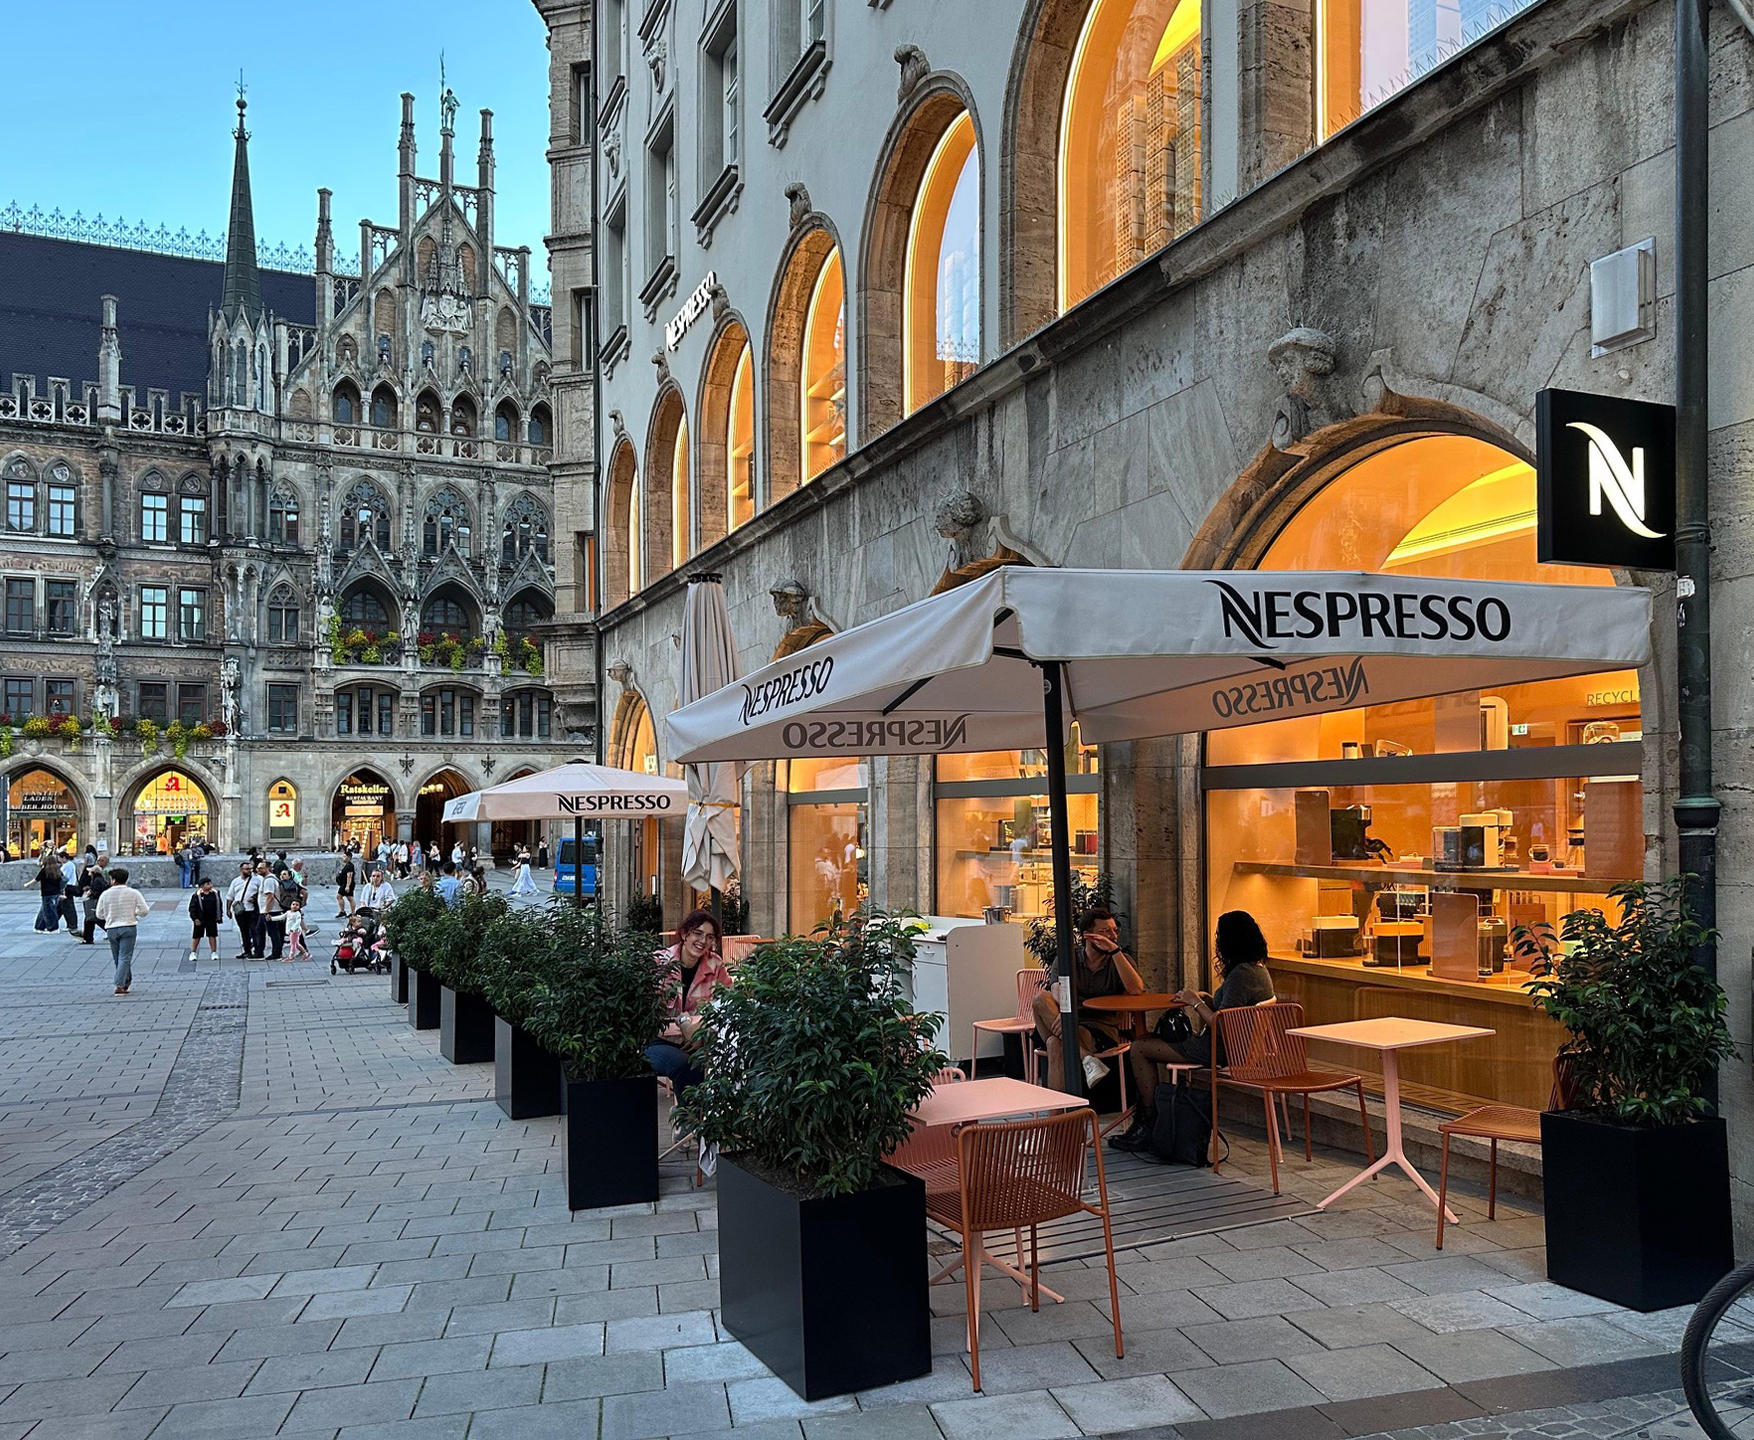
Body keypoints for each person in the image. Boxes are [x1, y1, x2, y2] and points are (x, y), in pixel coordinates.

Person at [1109, 910, 1278, 1153]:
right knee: (1146, 1041)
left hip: (1218, 1050)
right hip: (1237, 1049)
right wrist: (1207, 998)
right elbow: (1231, 1012)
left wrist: (1194, 1003)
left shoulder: (1241, 975)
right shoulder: (1258, 970)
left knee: (1139, 1047)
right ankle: (1151, 1120)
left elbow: (1224, 1025)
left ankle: (1147, 1123)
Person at [1031, 906, 1144, 1091]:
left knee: (1054, 1044)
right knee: (1040, 998)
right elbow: (1056, 988)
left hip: (1100, 1030)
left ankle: (1059, 1120)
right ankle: (1086, 1058)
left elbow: (1136, 990)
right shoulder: (1068, 958)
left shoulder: (1120, 960)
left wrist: (1115, 951)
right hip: (1066, 1021)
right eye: (1105, 932)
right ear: (1087, 936)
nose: (1113, 936)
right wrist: (1069, 1015)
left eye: (1115, 931)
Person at [646, 909, 734, 1098]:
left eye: (710, 937)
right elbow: (646, 1014)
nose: (703, 941)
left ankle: (710, 1118)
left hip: (701, 1041)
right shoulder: (659, 963)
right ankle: (688, 1122)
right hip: (659, 1040)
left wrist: (701, 1035)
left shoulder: (715, 965)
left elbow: (727, 1005)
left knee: (729, 1062)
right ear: (685, 934)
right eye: (698, 933)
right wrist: (685, 1029)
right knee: (688, 1064)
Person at [96, 867, 151, 995]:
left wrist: (109, 916)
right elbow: (145, 910)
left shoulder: (105, 894)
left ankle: (122, 982)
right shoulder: (133, 893)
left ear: (114, 880)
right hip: (128, 926)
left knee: (118, 957)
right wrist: (134, 913)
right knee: (125, 956)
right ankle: (122, 983)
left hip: (111, 928)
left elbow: (99, 914)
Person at [188, 877, 222, 964]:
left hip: (211, 918)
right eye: (208, 884)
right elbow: (192, 908)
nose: (210, 885)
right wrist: (195, 918)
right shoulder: (197, 895)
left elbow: (219, 905)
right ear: (202, 886)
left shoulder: (215, 893)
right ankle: (193, 952)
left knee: (212, 935)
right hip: (200, 919)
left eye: (210, 883)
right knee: (197, 936)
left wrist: (219, 916)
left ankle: (213, 952)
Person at [77, 853, 109, 945]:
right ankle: (88, 938)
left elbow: (96, 891)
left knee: (94, 920)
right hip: (97, 902)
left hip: (95, 903)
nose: (89, 873)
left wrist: (90, 892)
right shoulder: (98, 879)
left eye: (90, 872)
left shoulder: (97, 880)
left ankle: (88, 938)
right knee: (93, 920)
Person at [226, 861, 254, 958]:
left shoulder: (257, 880)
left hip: (252, 910)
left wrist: (254, 898)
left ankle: (256, 949)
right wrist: (228, 910)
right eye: (247, 869)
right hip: (240, 910)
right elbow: (230, 896)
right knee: (244, 930)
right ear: (241, 870)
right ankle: (247, 950)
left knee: (253, 930)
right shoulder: (236, 881)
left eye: (250, 869)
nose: (249, 871)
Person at [259, 864, 286, 960]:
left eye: (261, 868)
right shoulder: (272, 878)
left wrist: (267, 911)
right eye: (258, 868)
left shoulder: (269, 880)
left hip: (272, 910)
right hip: (275, 909)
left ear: (267, 869)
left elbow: (270, 896)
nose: (258, 870)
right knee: (276, 932)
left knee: (273, 932)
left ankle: (276, 953)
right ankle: (277, 952)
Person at [34, 851, 63, 933]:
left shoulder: (45, 870)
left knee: (49, 912)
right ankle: (39, 927)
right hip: (55, 893)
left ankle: (53, 928)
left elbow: (37, 879)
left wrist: (27, 884)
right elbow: (63, 880)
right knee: (47, 910)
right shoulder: (57, 870)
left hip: (46, 893)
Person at [336, 854, 356, 918]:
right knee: (349, 898)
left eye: (344, 856)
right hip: (345, 884)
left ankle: (343, 912)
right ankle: (352, 913)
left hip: (346, 884)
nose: (343, 858)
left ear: (349, 857)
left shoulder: (350, 866)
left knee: (339, 896)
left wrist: (347, 886)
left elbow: (349, 876)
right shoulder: (348, 865)